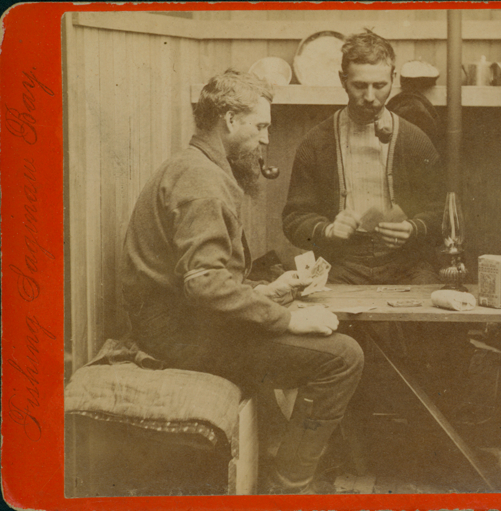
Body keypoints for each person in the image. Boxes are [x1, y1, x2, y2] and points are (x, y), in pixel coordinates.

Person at [121, 70, 364, 494]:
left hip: (180, 322)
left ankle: (283, 461)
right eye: (261, 125)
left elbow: (201, 280)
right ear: (230, 120)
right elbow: (203, 284)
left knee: (314, 338)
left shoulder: (193, 166)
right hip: (178, 335)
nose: (266, 137)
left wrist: (263, 294)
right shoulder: (201, 181)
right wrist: (285, 321)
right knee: (342, 356)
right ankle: (289, 488)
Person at [283, 29, 445, 285]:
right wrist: (328, 230)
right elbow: (294, 220)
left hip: (406, 264)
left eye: (380, 85)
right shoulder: (316, 142)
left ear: (393, 78)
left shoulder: (415, 141)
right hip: (341, 263)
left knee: (429, 312)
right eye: (359, 85)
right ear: (342, 80)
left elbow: (440, 212)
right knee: (318, 316)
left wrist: (412, 229)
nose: (370, 97)